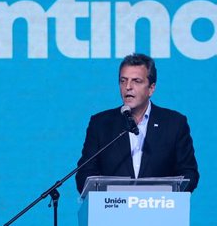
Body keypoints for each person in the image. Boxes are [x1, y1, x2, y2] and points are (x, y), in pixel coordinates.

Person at [75, 53, 199, 194]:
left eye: (136, 81)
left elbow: (189, 174)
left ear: (151, 88)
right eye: (123, 81)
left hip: (159, 211)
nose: (128, 87)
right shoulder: (101, 124)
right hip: (113, 212)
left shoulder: (174, 124)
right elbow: (84, 174)